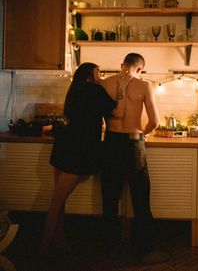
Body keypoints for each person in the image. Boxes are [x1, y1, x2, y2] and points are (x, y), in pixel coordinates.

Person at [38, 62, 131, 256]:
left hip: (64, 144)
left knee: (59, 199)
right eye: (98, 72)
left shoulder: (74, 89)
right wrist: (121, 87)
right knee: (57, 201)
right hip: (78, 149)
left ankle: (59, 241)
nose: (101, 75)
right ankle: (43, 249)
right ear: (90, 74)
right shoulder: (95, 91)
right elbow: (118, 112)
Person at [100, 53, 170, 264]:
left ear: (122, 65)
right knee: (140, 198)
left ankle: (111, 248)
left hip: (111, 143)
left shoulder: (105, 84)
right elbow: (155, 121)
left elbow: (100, 116)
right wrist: (143, 133)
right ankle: (146, 251)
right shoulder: (144, 86)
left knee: (110, 198)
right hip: (133, 143)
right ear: (139, 69)